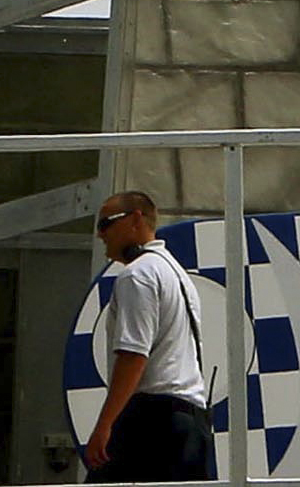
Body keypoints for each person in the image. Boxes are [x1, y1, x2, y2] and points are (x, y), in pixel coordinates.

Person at [82, 190, 214, 482]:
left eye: (106, 224)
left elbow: (133, 354)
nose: (100, 234)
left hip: (153, 419)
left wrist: (105, 424)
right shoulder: (177, 274)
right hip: (192, 421)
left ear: (135, 219)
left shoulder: (137, 275)